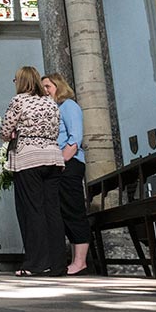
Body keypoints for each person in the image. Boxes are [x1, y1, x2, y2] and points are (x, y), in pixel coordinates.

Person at [0, 65, 65, 276]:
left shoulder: (19, 101)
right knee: (52, 211)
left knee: (33, 211)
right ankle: (57, 264)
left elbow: (5, 130)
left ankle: (37, 264)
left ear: (21, 82)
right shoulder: (50, 102)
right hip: (53, 158)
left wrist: (13, 134)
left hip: (29, 160)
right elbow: (55, 129)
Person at [43, 72, 90, 275]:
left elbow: (75, 137)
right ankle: (72, 260)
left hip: (69, 163)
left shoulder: (69, 106)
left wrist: (62, 160)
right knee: (62, 212)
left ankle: (80, 262)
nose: (45, 91)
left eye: (48, 86)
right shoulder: (52, 110)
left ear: (59, 86)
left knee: (73, 210)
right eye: (42, 88)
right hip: (58, 164)